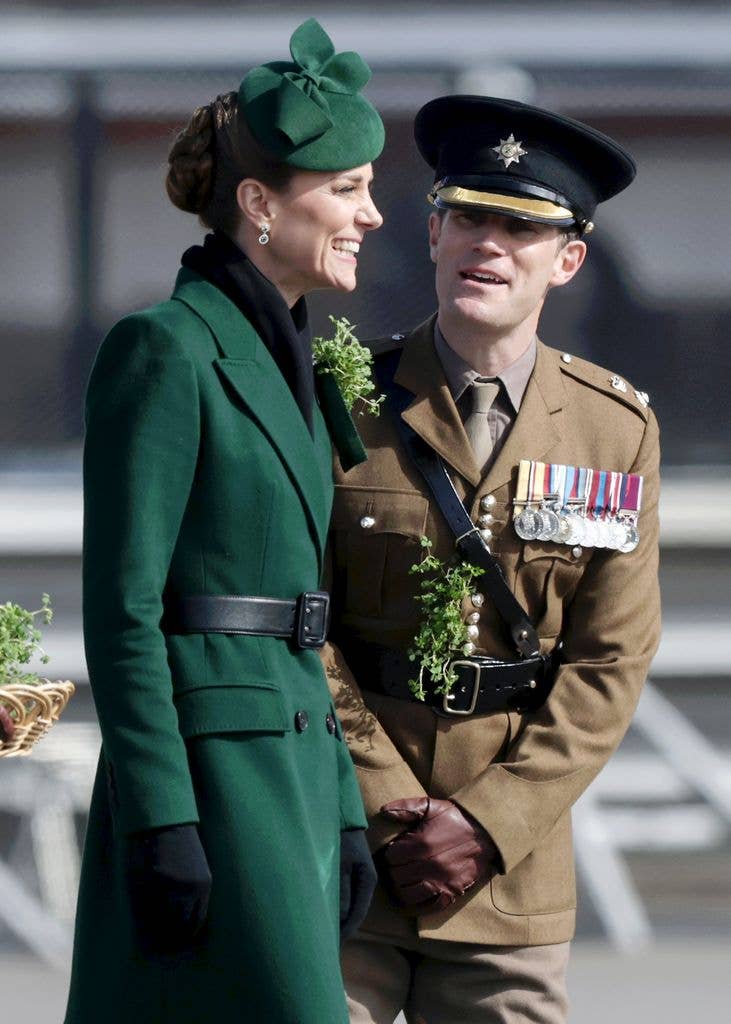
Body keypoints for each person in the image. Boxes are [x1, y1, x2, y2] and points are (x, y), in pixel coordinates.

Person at [64, 18, 384, 1024]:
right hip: (211, 778)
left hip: (288, 768)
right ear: (257, 203)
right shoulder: (164, 349)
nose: (371, 214)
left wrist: (340, 812)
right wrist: (160, 817)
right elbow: (123, 609)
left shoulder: (292, 353)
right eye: (345, 188)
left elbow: (303, 615)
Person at [323, 95, 661, 1024]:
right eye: (469, 215)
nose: (489, 244)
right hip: (349, 848)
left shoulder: (611, 428)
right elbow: (300, 624)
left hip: (505, 878)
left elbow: (610, 659)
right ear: (431, 233)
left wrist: (485, 825)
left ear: (567, 261)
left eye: (522, 227)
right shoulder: (339, 401)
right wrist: (388, 802)